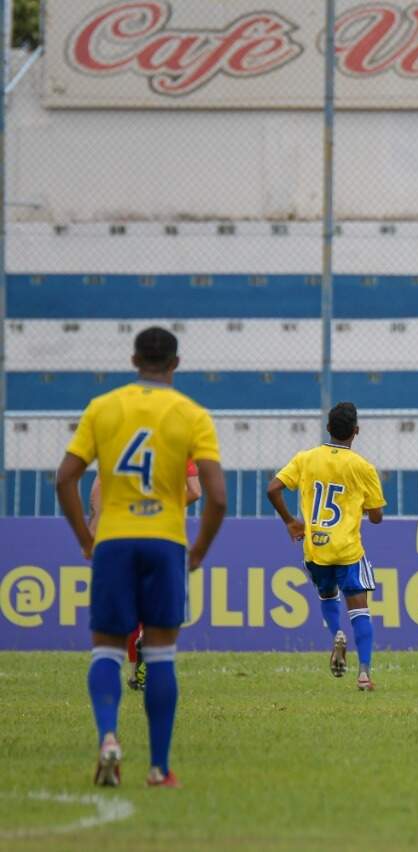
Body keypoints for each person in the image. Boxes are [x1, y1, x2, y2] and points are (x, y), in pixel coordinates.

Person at [55, 327, 227, 788]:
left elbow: (65, 479)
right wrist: (198, 551)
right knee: (162, 653)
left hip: (113, 540)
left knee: (107, 648)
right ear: (175, 363)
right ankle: (158, 767)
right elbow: (216, 497)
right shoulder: (192, 414)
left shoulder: (103, 408)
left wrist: (84, 540)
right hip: (165, 541)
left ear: (134, 359)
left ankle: (109, 737)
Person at [267, 402, 386, 691]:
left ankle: (336, 635)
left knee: (328, 596)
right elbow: (377, 517)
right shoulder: (363, 467)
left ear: (328, 428)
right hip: (347, 550)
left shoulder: (306, 459)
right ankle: (365, 675)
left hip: (316, 550)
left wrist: (291, 522)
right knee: (360, 611)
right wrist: (366, 509)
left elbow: (273, 489)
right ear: (356, 431)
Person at [89, 460, 203, 692]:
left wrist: (95, 522)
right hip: (166, 537)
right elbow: (195, 491)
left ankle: (133, 671)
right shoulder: (180, 445)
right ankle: (150, 652)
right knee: (162, 608)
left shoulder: (121, 442)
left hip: (124, 534)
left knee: (129, 607)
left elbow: (98, 488)